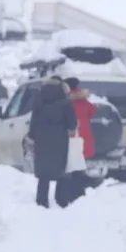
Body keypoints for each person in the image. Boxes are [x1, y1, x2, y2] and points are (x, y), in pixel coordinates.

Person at [27, 78, 77, 208]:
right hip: (60, 139)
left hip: (41, 138)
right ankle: (61, 200)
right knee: (61, 169)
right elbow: (72, 123)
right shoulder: (65, 101)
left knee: (43, 171)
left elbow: (33, 120)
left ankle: (41, 201)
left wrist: (32, 136)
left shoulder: (39, 100)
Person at [60, 76, 97, 206]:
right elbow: (93, 111)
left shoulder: (65, 101)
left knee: (69, 168)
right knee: (79, 168)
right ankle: (79, 194)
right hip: (84, 138)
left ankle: (70, 194)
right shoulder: (83, 100)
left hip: (71, 138)